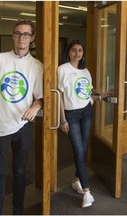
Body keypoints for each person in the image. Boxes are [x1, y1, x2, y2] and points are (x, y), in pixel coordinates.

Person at [0, 19, 43, 215]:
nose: (21, 38)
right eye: (18, 33)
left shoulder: (37, 66)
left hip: (22, 126)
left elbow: (40, 98)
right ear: (13, 35)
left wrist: (36, 107)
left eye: (26, 34)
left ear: (32, 38)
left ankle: (18, 211)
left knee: (19, 172)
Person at [57, 40, 110, 208]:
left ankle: (76, 180)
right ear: (68, 52)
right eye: (73, 50)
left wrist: (101, 97)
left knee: (83, 149)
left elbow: (86, 96)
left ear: (83, 53)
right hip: (71, 115)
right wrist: (63, 119)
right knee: (78, 150)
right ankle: (87, 192)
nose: (77, 53)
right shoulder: (62, 69)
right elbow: (59, 96)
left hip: (86, 112)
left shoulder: (86, 72)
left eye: (80, 50)